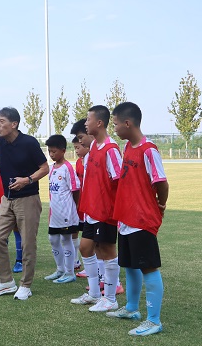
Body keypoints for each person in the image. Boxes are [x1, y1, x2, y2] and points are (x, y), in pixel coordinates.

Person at [107, 102, 169, 336]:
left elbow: (161, 182)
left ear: (127, 123)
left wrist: (160, 205)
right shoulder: (127, 147)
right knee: (130, 264)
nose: (114, 128)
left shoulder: (148, 149)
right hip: (126, 218)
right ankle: (132, 308)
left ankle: (154, 321)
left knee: (148, 267)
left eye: (115, 124)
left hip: (142, 218)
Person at [0, 107, 49, 300]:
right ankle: (6, 282)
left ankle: (25, 285)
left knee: (28, 244)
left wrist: (27, 180)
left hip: (28, 199)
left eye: (1, 121)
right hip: (7, 199)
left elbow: (44, 168)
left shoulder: (29, 143)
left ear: (14, 124)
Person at [70, 105, 123, 312]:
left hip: (105, 211)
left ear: (99, 123)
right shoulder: (93, 147)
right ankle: (94, 294)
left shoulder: (111, 149)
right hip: (91, 210)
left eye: (88, 120)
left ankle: (110, 298)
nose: (86, 123)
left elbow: (119, 182)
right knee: (86, 247)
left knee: (106, 251)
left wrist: (118, 212)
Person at [43, 135, 80, 284]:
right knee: (53, 239)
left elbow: (75, 190)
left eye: (54, 151)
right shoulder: (52, 168)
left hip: (66, 213)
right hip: (55, 213)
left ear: (63, 151)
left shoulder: (67, 168)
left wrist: (74, 208)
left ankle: (70, 272)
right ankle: (60, 269)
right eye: (49, 151)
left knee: (66, 239)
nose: (51, 154)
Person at [0, 163, 23, 273]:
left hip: (12, 195)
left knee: (17, 229)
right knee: (0, 230)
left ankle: (19, 260)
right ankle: (0, 261)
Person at [71, 136, 86, 274]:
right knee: (74, 231)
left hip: (88, 204)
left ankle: (91, 265)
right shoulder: (78, 162)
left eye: (78, 147)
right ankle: (75, 260)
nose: (76, 150)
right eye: (74, 148)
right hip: (78, 202)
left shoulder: (90, 161)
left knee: (89, 236)